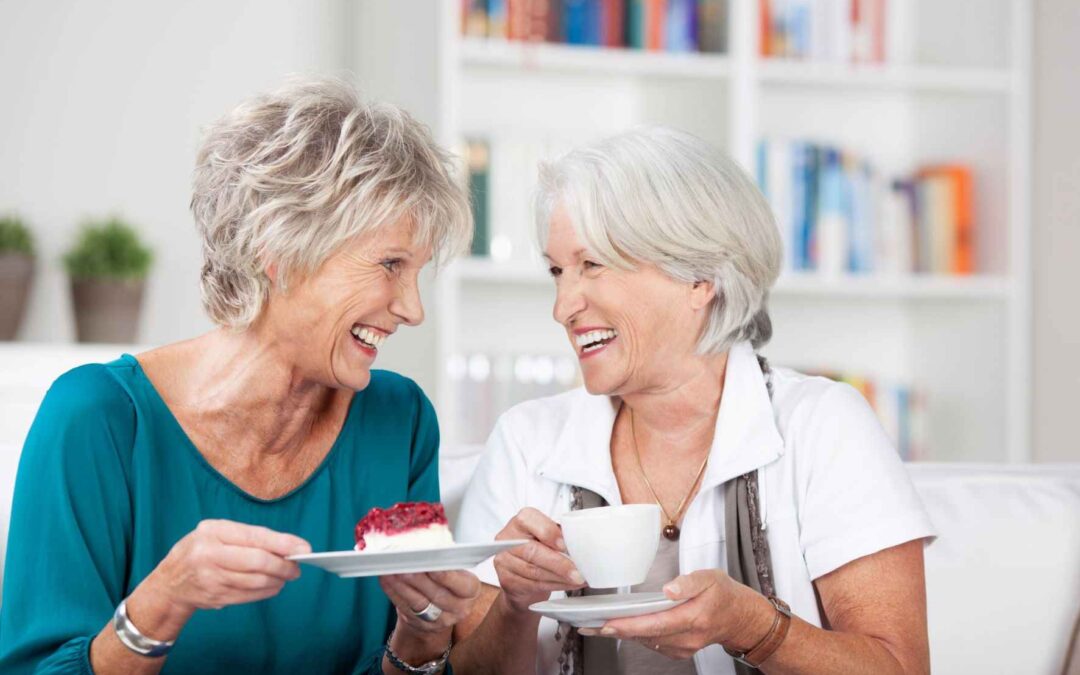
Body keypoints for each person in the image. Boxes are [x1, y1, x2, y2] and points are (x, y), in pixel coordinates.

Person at [0, 78, 478, 675]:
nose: (413, 308)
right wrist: (161, 602)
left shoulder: (400, 420)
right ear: (275, 251)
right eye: (389, 265)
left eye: (417, 273)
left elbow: (409, 656)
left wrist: (423, 633)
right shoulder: (98, 419)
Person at [451, 127, 936, 674]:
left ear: (700, 277)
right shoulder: (525, 440)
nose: (563, 306)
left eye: (593, 265)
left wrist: (755, 628)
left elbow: (900, 668)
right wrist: (515, 606)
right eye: (557, 271)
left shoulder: (823, 426)